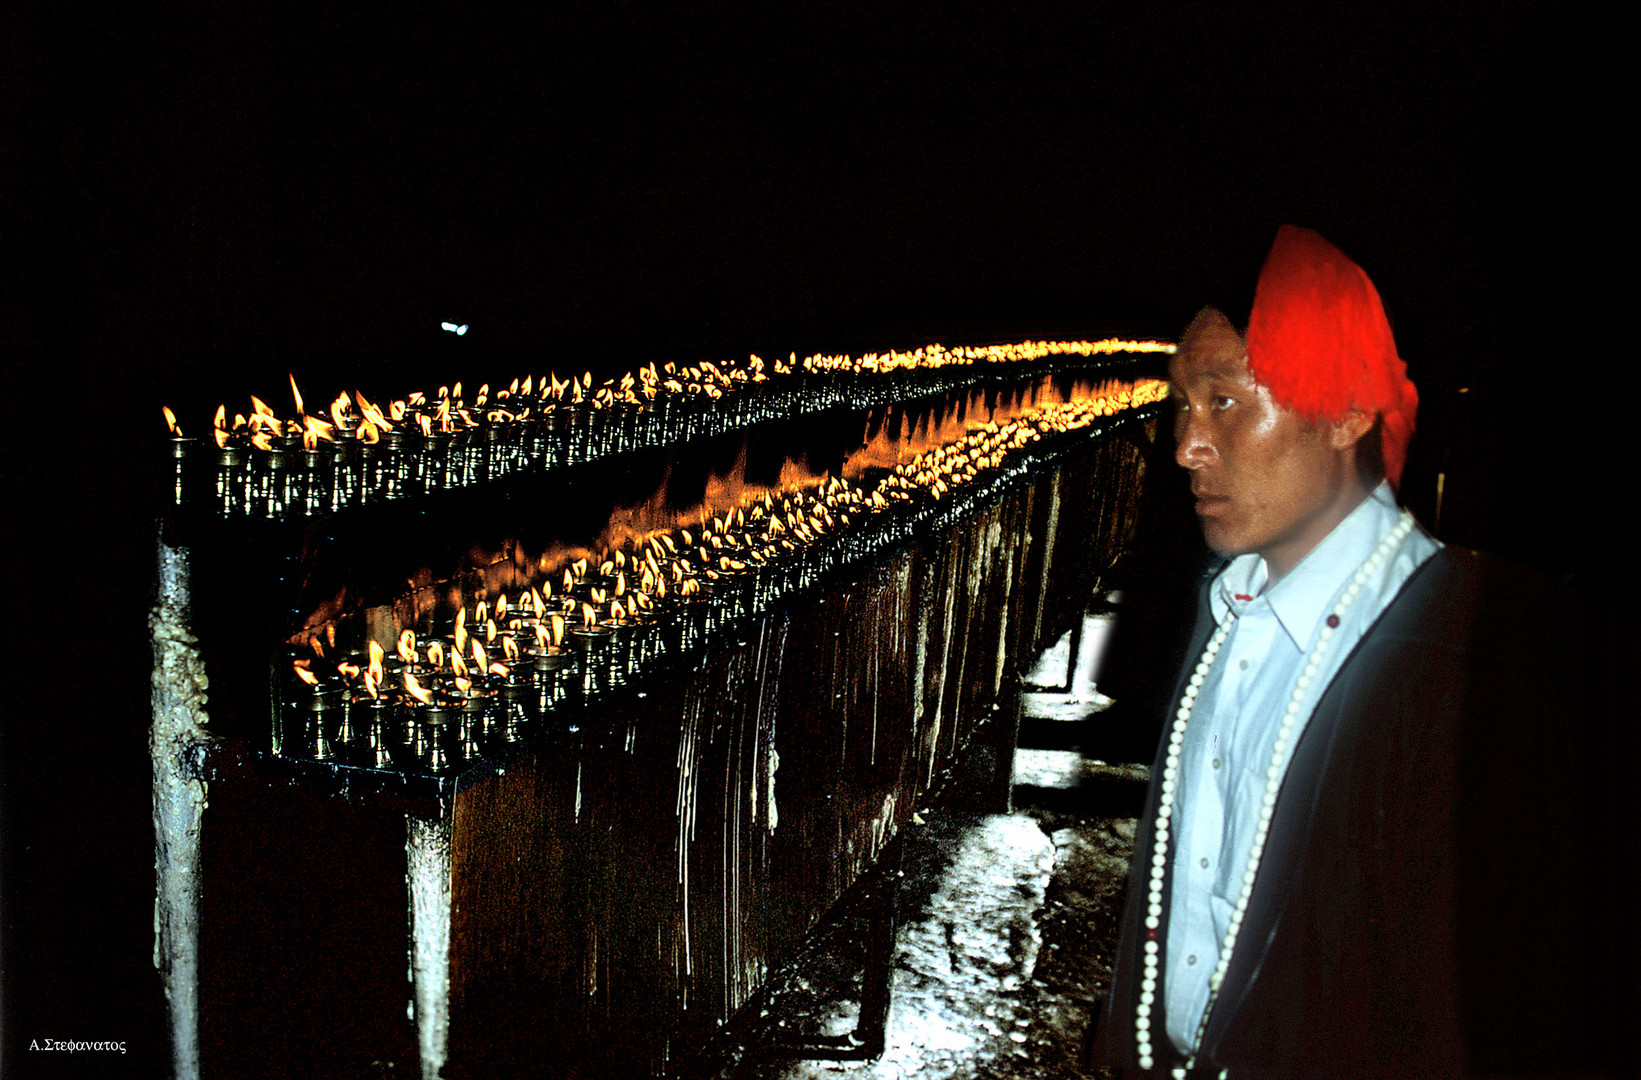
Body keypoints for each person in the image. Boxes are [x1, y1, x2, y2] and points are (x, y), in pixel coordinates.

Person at [1091, 225, 1633, 1077]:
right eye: (1180, 406)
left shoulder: (1467, 661)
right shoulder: (1227, 611)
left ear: (1345, 411)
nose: (1185, 444)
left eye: (1224, 401)